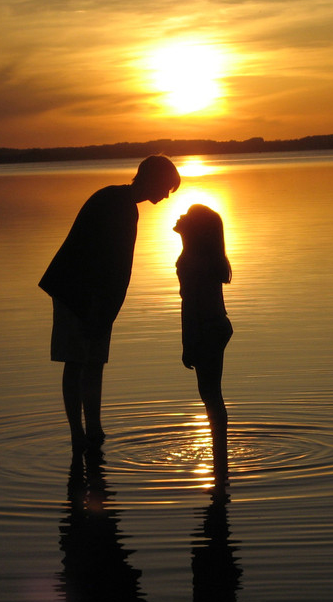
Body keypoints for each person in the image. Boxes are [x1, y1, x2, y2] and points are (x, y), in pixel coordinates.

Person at [40, 155, 181, 453]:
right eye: (167, 187)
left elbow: (118, 270)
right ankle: (78, 433)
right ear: (151, 179)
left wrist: (105, 312)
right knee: (76, 361)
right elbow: (108, 264)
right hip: (74, 291)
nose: (167, 195)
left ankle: (94, 429)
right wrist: (97, 310)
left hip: (97, 298)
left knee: (93, 363)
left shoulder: (123, 204)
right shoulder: (116, 203)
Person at [174, 204, 233, 490]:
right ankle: (220, 458)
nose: (180, 216)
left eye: (187, 216)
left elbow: (190, 306)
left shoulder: (192, 260)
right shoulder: (202, 257)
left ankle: (220, 464)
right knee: (213, 396)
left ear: (196, 230)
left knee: (210, 396)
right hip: (218, 325)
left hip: (208, 329)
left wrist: (188, 343)